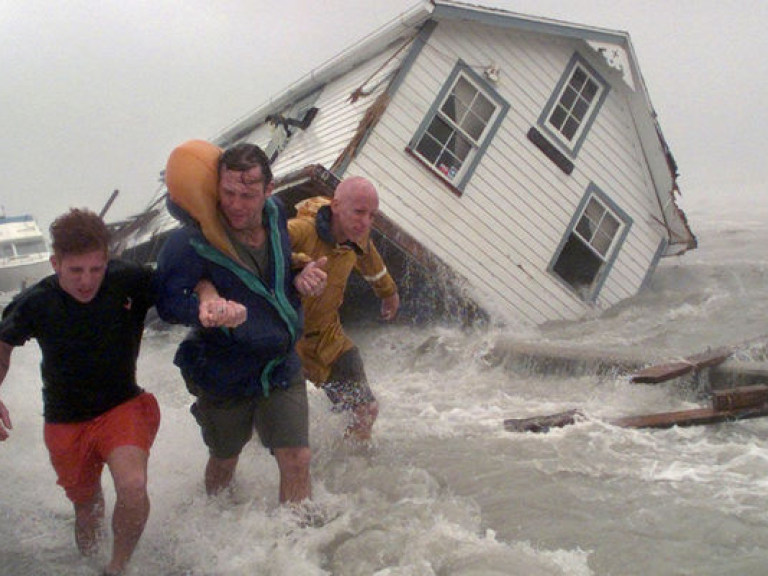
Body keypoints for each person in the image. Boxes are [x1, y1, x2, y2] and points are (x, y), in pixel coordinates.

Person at [155, 140, 327, 505]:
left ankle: (295, 548)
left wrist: (300, 273)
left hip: (279, 363)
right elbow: (167, 304)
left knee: (297, 459)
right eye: (228, 192)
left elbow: (272, 277)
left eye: (247, 195)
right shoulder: (189, 242)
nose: (235, 204)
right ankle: (218, 522)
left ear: (269, 190)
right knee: (225, 459)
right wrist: (202, 309)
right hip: (223, 369)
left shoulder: (276, 213)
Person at [0, 208, 160, 576]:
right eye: (76, 271)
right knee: (87, 508)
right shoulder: (37, 302)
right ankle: (90, 565)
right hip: (65, 421)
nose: (87, 281)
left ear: (108, 260)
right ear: (56, 263)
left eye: (96, 269)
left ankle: (117, 568)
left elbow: (180, 283)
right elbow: (3, 344)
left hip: (123, 405)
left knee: (133, 486)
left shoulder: (129, 280)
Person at [288, 176, 399, 441]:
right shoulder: (301, 228)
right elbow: (263, 248)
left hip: (327, 337)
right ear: (336, 205)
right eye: (359, 212)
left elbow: (370, 260)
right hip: (285, 340)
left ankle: (351, 471)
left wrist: (389, 292)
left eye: (372, 215)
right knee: (277, 429)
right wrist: (299, 265)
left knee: (366, 410)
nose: (366, 222)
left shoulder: (357, 236)